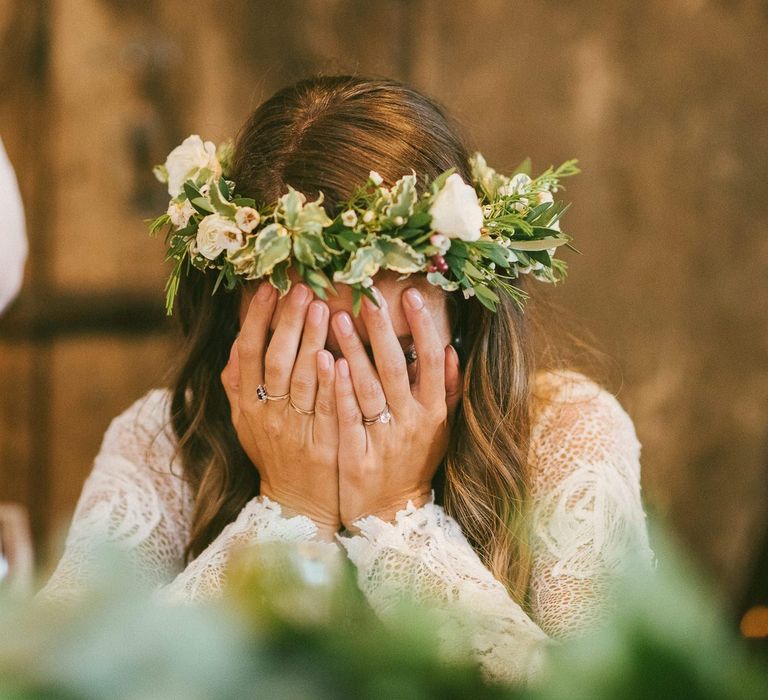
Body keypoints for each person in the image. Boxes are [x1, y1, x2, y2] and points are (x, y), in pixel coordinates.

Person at [38, 75, 654, 684]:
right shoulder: (165, 439)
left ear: (464, 308)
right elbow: (56, 686)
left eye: (396, 355)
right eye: (303, 353)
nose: (349, 399)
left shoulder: (562, 432)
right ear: (239, 321)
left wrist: (397, 519)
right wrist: (288, 516)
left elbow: (609, 691)